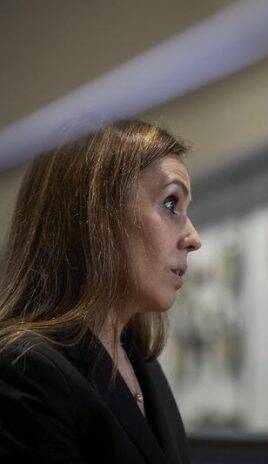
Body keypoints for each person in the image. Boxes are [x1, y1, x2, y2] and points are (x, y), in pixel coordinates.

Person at [0, 119, 203, 463]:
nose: (194, 238)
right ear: (100, 216)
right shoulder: (25, 371)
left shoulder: (142, 364)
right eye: (171, 204)